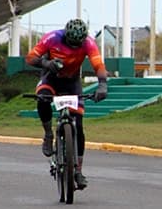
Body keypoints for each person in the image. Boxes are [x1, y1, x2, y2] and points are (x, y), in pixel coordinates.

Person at [25, 18, 108, 190]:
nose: (75, 47)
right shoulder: (52, 37)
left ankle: (78, 170)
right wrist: (47, 63)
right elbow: (31, 57)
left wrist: (102, 84)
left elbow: (98, 64)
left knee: (78, 125)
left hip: (72, 83)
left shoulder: (89, 43)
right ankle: (48, 135)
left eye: (78, 44)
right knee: (42, 99)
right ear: (65, 36)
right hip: (51, 78)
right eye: (71, 43)